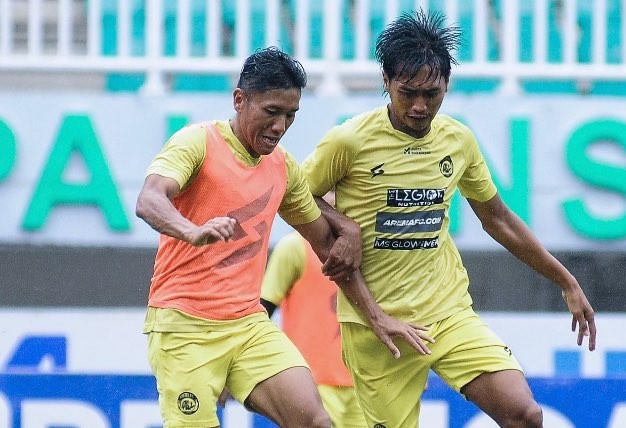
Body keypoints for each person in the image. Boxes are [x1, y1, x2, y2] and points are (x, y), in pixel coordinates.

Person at [301, 10, 598, 428]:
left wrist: (565, 280)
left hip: (446, 312)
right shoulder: (349, 140)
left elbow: (499, 220)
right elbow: (297, 194)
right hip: (376, 329)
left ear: (447, 86)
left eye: (433, 93)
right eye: (408, 93)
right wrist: (343, 224)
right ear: (385, 83)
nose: (421, 106)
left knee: (525, 414)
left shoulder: (457, 139)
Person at [135, 46, 431, 427]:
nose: (280, 126)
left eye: (290, 115)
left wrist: (375, 310)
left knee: (314, 421)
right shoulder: (197, 142)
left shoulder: (281, 166)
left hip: (247, 325)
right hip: (185, 326)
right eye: (271, 112)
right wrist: (192, 231)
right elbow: (149, 199)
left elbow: (325, 244)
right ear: (240, 100)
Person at [260, 193, 364, 428]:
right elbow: (262, 311)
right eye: (328, 189)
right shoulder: (295, 247)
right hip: (313, 384)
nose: (336, 198)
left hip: (364, 383)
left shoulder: (367, 252)